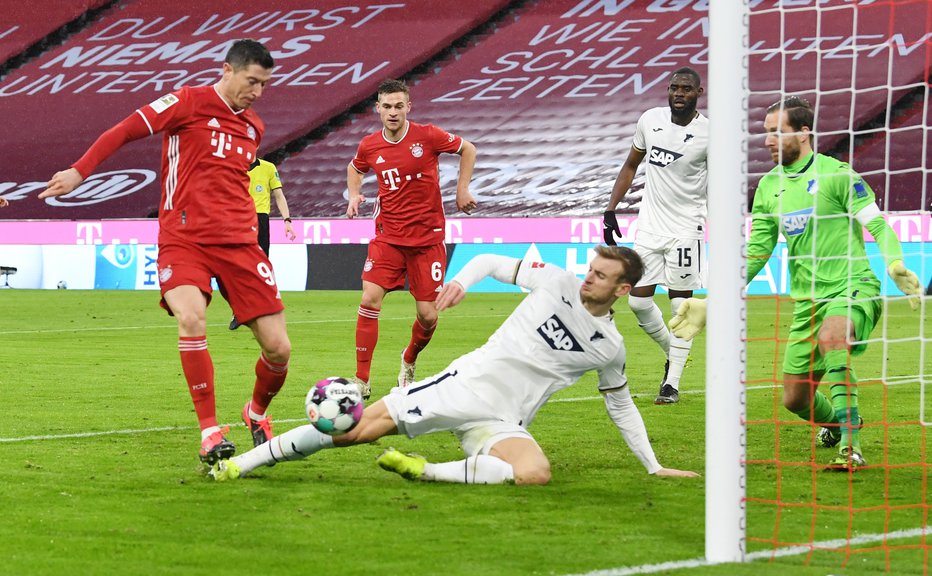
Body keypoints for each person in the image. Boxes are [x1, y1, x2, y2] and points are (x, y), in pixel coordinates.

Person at [210, 246, 700, 484]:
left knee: (535, 473)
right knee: (352, 433)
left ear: (621, 290)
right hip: (464, 386)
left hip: (503, 419)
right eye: (590, 268)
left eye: (600, 276)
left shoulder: (610, 347)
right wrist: (462, 281)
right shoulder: (556, 281)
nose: (588, 278)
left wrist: (653, 466)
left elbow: (621, 406)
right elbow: (488, 260)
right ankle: (241, 464)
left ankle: (425, 471)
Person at [39, 39, 292, 464]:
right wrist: (80, 171)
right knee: (192, 319)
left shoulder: (253, 128)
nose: (258, 92)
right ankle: (210, 432)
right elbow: (124, 129)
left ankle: (256, 411)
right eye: (253, 81)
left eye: (265, 84)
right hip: (185, 238)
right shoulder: (187, 102)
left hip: (241, 246)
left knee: (279, 349)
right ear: (228, 71)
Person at [669, 96, 922, 470]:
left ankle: (851, 449)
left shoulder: (838, 174)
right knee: (795, 400)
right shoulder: (769, 187)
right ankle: (837, 424)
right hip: (808, 302)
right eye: (766, 133)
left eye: (777, 132)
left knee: (835, 338)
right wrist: (715, 299)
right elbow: (756, 253)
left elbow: (878, 224)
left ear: (804, 133)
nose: (768, 140)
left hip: (853, 287)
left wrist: (895, 263)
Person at [345, 78, 477, 399]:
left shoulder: (428, 136)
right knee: (368, 300)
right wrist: (354, 195)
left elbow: (467, 149)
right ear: (378, 109)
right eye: (386, 106)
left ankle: (408, 359)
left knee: (428, 315)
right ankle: (361, 380)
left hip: (427, 240)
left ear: (408, 107)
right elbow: (354, 167)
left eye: (398, 106)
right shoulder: (370, 145)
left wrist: (462, 189)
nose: (393, 112)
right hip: (388, 238)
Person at [602, 67, 708, 405]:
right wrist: (611, 208)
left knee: (680, 305)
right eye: (674, 87)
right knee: (637, 301)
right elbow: (631, 164)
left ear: (698, 94)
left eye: (686, 89)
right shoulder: (650, 120)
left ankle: (671, 384)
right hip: (649, 227)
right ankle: (673, 353)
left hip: (685, 229)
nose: (678, 93)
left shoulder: (710, 133)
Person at [230, 157, 296, 330]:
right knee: (238, 266)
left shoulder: (268, 167)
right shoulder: (234, 166)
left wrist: (287, 221)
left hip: (260, 220)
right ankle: (239, 311)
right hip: (238, 219)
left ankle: (265, 308)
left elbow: (279, 196)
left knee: (261, 266)